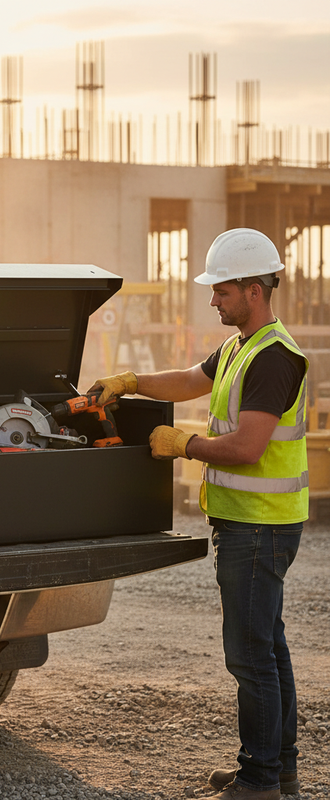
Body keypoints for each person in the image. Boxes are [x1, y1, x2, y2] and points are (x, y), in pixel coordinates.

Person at [89, 228, 308, 800]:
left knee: (249, 654)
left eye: (223, 290)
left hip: (260, 526)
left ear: (254, 291)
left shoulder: (274, 358)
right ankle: (278, 769)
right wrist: (130, 383)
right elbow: (191, 380)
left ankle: (260, 780)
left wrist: (180, 444)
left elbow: (247, 448)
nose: (213, 300)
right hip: (248, 521)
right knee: (268, 645)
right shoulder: (241, 347)